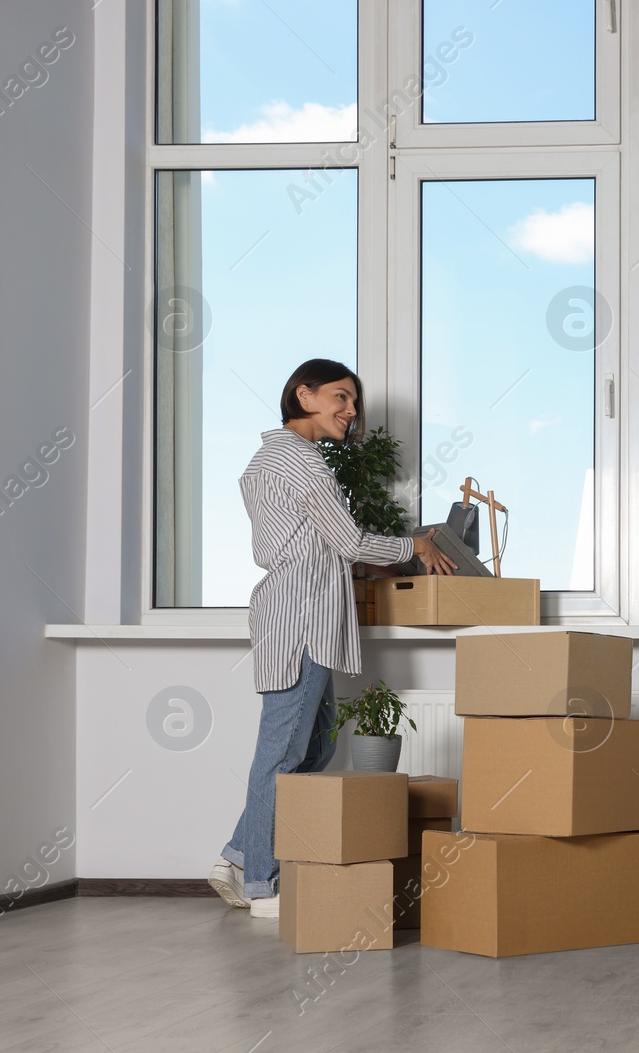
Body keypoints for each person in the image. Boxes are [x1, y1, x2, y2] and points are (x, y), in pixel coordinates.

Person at [207, 359, 456, 919]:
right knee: (283, 754)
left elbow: (318, 543)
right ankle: (261, 884)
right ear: (305, 394)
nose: (351, 412)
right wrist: (414, 546)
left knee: (314, 747)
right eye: (340, 398)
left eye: (355, 403)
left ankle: (239, 856)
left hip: (302, 618)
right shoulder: (300, 462)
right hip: (300, 621)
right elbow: (346, 539)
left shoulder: (276, 457)